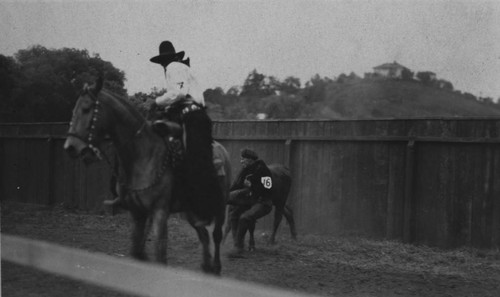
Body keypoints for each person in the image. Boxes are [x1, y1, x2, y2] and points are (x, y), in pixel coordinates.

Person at [227, 148, 273, 257]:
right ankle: (237, 245)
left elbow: (269, 189)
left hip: (264, 202)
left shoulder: (263, 170)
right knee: (233, 215)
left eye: (243, 159)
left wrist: (252, 186)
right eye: (241, 159)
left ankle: (238, 249)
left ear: (250, 160)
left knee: (245, 217)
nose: (241, 161)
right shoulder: (245, 170)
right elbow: (236, 185)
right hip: (251, 201)